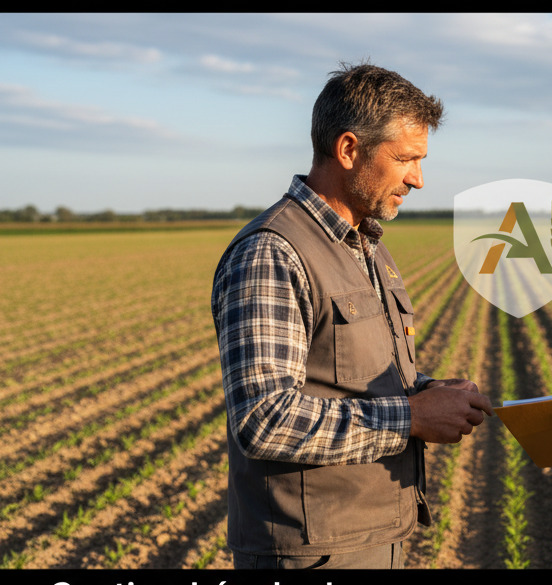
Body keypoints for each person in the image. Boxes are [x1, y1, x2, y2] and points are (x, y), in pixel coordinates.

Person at [210, 62, 493, 570]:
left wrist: (426, 391)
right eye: (406, 158)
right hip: (311, 552)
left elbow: (347, 377)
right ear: (348, 149)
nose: (419, 179)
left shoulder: (366, 245)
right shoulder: (273, 252)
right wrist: (413, 417)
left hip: (370, 537)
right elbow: (264, 418)